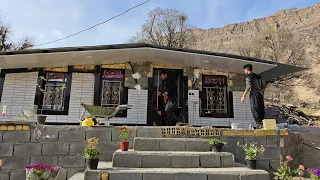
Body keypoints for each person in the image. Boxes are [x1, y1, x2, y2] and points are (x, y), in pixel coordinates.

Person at [241, 64, 266, 129]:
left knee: (254, 109)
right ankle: (262, 124)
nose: (244, 72)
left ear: (246, 69)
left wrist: (243, 96)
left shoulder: (248, 77)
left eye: (244, 70)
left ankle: (259, 125)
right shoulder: (259, 76)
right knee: (260, 109)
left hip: (254, 95)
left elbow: (248, 86)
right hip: (259, 95)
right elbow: (263, 85)